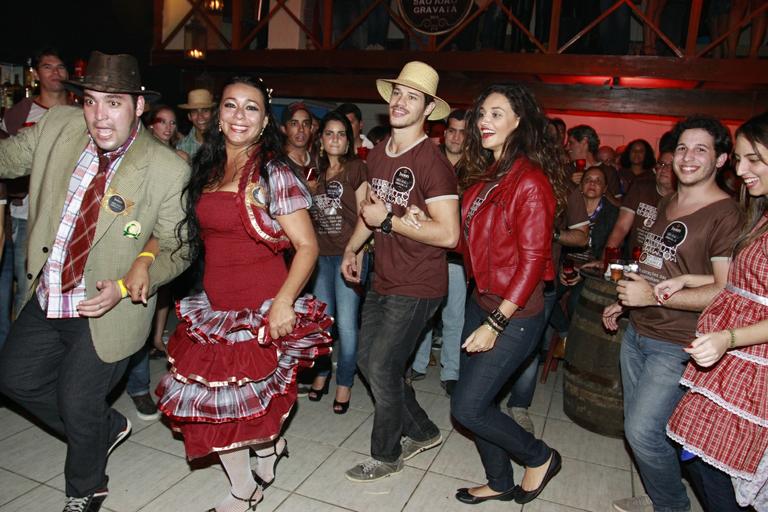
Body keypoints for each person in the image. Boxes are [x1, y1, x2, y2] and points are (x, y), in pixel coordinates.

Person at [0, 51, 190, 512]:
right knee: (14, 378)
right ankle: (103, 429)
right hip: (50, 295)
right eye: (92, 102)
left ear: (139, 106)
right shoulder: (58, 126)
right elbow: (6, 161)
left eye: (114, 103)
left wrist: (133, 277)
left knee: (77, 397)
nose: (100, 116)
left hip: (110, 307)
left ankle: (85, 488)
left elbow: (180, 246)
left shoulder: (167, 169)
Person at [155, 76, 332, 512]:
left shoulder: (273, 172)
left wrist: (285, 304)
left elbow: (307, 246)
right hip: (214, 307)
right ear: (217, 115)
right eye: (231, 106)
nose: (239, 116)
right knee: (224, 404)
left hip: (258, 306)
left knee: (229, 407)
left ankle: (243, 492)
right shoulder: (207, 166)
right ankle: (268, 451)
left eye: (251, 108)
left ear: (263, 118)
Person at [602, 115, 745, 512]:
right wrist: (628, 298)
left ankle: (671, 505)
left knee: (643, 432)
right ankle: (658, 495)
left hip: (678, 343)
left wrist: (650, 297)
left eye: (701, 149)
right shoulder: (669, 201)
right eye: (682, 147)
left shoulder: (725, 214)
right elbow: (656, 264)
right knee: (645, 430)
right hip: (638, 331)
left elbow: (724, 290)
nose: (688, 157)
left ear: (720, 160)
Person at [340, 61, 459, 482]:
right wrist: (352, 250)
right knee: (367, 363)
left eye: (412, 96)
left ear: (428, 109)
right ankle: (423, 430)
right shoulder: (376, 153)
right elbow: (369, 213)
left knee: (384, 367)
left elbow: (449, 235)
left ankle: (386, 455)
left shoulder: (433, 162)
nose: (400, 101)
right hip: (384, 277)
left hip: (420, 283)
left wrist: (390, 221)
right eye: (397, 93)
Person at [447, 82, 561, 506]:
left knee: (468, 407)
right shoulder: (487, 176)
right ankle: (498, 479)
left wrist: (497, 324)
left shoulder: (529, 180)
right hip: (483, 302)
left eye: (497, 114)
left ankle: (540, 456)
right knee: (480, 401)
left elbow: (533, 262)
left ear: (518, 120)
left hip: (514, 314)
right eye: (482, 115)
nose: (484, 122)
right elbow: (471, 244)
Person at [663, 112, 768, 511]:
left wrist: (729, 337)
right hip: (731, 360)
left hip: (752, 361)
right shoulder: (759, 213)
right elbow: (740, 282)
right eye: (739, 159)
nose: (741, 170)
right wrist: (688, 280)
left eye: (753, 159)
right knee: (695, 454)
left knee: (722, 470)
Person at [0, 48, 71, 323]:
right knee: (27, 289)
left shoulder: (79, 112)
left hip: (66, 215)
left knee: (62, 288)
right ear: (36, 73)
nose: (55, 72)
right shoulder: (21, 112)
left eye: (60, 66)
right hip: (26, 215)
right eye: (47, 67)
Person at [304, 111, 368, 413]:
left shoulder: (356, 168)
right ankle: (322, 372)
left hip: (348, 255)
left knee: (346, 324)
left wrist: (355, 252)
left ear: (348, 140)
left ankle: (345, 382)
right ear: (321, 139)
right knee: (323, 323)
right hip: (320, 257)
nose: (334, 139)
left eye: (341, 134)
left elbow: (366, 215)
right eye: (329, 133)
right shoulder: (312, 173)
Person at [409, 108, 467, 395]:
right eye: (452, 130)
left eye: (462, 131)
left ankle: (452, 372)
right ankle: (418, 364)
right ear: (445, 132)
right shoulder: (432, 160)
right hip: (429, 249)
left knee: (455, 315)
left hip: (457, 254)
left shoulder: (477, 168)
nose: (456, 136)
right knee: (425, 313)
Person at [176, 88, 215, 159]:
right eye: (194, 111)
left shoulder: (223, 141)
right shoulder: (182, 147)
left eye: (205, 111)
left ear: (212, 114)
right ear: (189, 116)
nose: (200, 116)